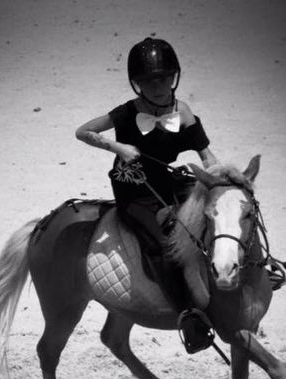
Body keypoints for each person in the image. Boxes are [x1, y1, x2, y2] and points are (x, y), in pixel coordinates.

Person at [75, 37, 219, 352]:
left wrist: (218, 177)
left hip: (167, 182)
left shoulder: (183, 112)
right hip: (133, 189)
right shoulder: (126, 113)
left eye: (164, 78)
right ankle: (189, 315)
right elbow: (82, 131)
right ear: (137, 84)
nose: (158, 86)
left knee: (217, 220)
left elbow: (207, 154)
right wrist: (116, 146)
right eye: (148, 81)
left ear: (175, 78)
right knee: (166, 242)